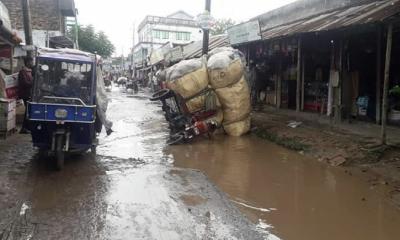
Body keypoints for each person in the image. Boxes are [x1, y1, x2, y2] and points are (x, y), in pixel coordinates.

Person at [18, 57, 34, 134]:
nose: (32, 63)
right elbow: (25, 83)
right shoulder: (23, 72)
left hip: (29, 93)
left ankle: (27, 127)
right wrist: (33, 83)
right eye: (31, 62)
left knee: (29, 110)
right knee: (27, 111)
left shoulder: (29, 71)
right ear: (28, 62)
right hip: (25, 94)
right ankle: (24, 128)